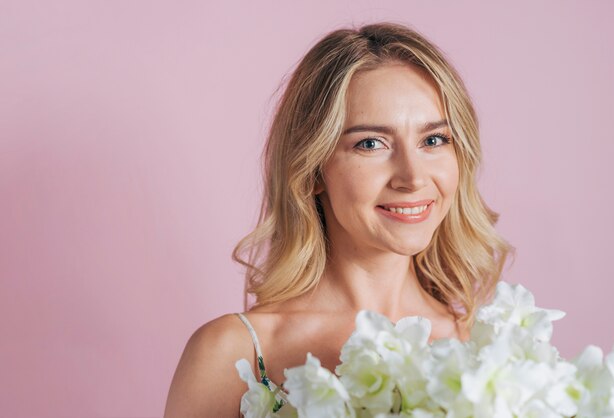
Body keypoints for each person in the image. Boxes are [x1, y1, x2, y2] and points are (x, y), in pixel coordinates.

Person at [164, 22, 513, 417]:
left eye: (433, 140)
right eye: (370, 144)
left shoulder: (484, 353)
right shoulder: (234, 353)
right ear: (312, 170)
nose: (413, 177)